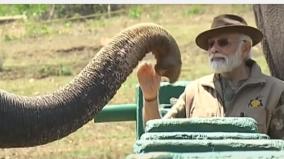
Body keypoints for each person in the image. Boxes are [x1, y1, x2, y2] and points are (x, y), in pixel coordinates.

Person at [137, 14, 284, 139]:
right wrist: (150, 97)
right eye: (210, 44)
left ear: (245, 48)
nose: (214, 49)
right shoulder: (195, 91)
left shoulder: (275, 91)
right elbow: (157, 136)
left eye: (223, 42)